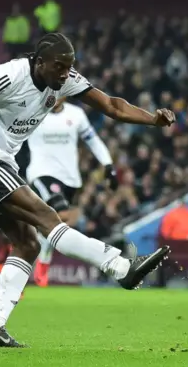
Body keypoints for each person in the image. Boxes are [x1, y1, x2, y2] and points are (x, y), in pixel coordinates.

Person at [0, 32, 176, 347]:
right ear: (39, 63)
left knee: (27, 244)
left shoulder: (63, 79)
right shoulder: (10, 74)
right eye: (59, 66)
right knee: (46, 215)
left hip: (1, 161)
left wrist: (152, 120)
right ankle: (119, 267)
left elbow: (113, 106)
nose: (65, 74)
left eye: (69, 67)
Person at [26, 97, 117, 287]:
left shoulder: (76, 115)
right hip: (41, 173)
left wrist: (108, 164)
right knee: (61, 212)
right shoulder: (32, 111)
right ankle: (39, 259)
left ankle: (41, 255)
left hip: (70, 180)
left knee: (54, 222)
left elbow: (93, 140)